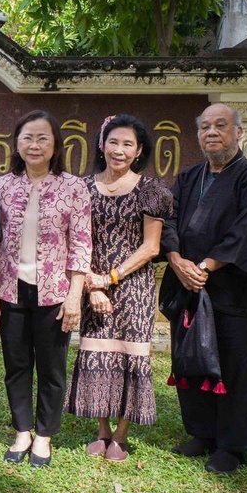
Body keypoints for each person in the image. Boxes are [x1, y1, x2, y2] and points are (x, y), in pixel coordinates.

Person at [161, 103, 247, 475]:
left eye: (221, 125)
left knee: (231, 365)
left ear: (238, 133)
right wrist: (177, 260)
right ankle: (201, 433)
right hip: (187, 285)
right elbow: (169, 219)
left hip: (229, 291)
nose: (211, 132)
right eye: (205, 127)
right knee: (189, 360)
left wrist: (206, 266)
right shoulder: (188, 177)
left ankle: (232, 445)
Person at [0, 110, 90, 468]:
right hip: (10, 290)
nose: (34, 145)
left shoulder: (74, 187)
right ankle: (22, 430)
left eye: (43, 138)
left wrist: (75, 296)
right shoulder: (2, 185)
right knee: (15, 364)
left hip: (54, 292)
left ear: (56, 144)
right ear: (16, 143)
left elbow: (81, 245)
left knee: (51, 367)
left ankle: (44, 435)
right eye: (28, 137)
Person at [66, 115, 171, 463]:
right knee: (97, 355)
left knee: (130, 356)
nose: (119, 150)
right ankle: (102, 430)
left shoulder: (151, 190)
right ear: (101, 144)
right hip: (91, 282)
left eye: (128, 144)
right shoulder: (82, 188)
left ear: (139, 150)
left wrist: (111, 278)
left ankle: (121, 436)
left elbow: (151, 247)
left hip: (134, 286)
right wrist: (93, 286)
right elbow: (78, 240)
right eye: (113, 142)